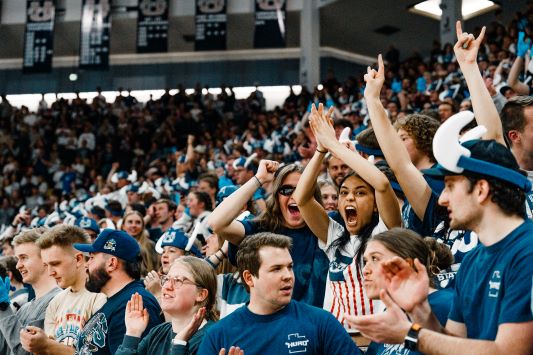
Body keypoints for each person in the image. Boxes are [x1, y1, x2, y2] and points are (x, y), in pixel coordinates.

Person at [347, 95, 533, 353]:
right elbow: (455, 340)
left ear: (480, 190)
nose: (442, 199)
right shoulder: (472, 261)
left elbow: (508, 352)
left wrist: (409, 334)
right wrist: (420, 310)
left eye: (449, 186)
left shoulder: (528, 252)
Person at [293, 103, 401, 330]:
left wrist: (334, 144)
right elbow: (301, 197)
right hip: (339, 343)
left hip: (379, 341)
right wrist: (321, 150)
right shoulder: (335, 237)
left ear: (375, 206)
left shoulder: (386, 232)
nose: (349, 198)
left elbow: (381, 184)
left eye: (360, 193)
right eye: (344, 193)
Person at [198, 232, 361, 354]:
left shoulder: (320, 322)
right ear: (249, 278)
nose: (288, 276)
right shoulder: (218, 336)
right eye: (276, 269)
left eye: (289, 267)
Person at [207, 160, 329, 308]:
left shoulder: (329, 228)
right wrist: (259, 179)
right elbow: (216, 223)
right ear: (276, 196)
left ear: (313, 195)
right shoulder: (260, 229)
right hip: (271, 326)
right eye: (286, 190)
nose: (295, 196)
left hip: (319, 326)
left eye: (303, 189)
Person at [360, 228, 453, 355]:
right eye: (365, 261)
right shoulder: (392, 311)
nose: (365, 270)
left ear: (406, 264)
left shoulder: (447, 304)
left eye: (375, 259)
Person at [73, 229, 163, 354]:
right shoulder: (118, 301)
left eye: (92, 258)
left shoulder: (135, 303)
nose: (86, 265)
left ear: (112, 263)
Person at [19, 224, 107, 352]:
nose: (50, 272)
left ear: (78, 259)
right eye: (46, 265)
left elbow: (92, 352)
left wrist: (46, 345)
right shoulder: (55, 302)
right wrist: (37, 347)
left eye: (55, 264)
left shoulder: (101, 297)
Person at [116, 257, 217, 355]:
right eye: (167, 279)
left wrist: (179, 344)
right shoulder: (158, 332)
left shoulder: (213, 338)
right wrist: (132, 333)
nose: (167, 287)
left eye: (178, 281)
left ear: (201, 294)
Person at [0, 228, 61, 355]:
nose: (18, 266)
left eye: (24, 258)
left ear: (46, 259)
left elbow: (25, 352)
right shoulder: (25, 308)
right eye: (17, 259)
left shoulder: (59, 301)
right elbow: (3, 349)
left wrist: (4, 308)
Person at [144, 228, 203, 304]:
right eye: (163, 251)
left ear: (188, 256)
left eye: (171, 251)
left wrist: (158, 293)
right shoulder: (157, 280)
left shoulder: (193, 284)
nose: (164, 255)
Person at [122, 211, 159, 277]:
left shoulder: (150, 245)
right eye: (130, 222)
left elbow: (156, 268)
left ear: (142, 226)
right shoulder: (117, 245)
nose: (134, 225)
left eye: (138, 222)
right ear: (123, 226)